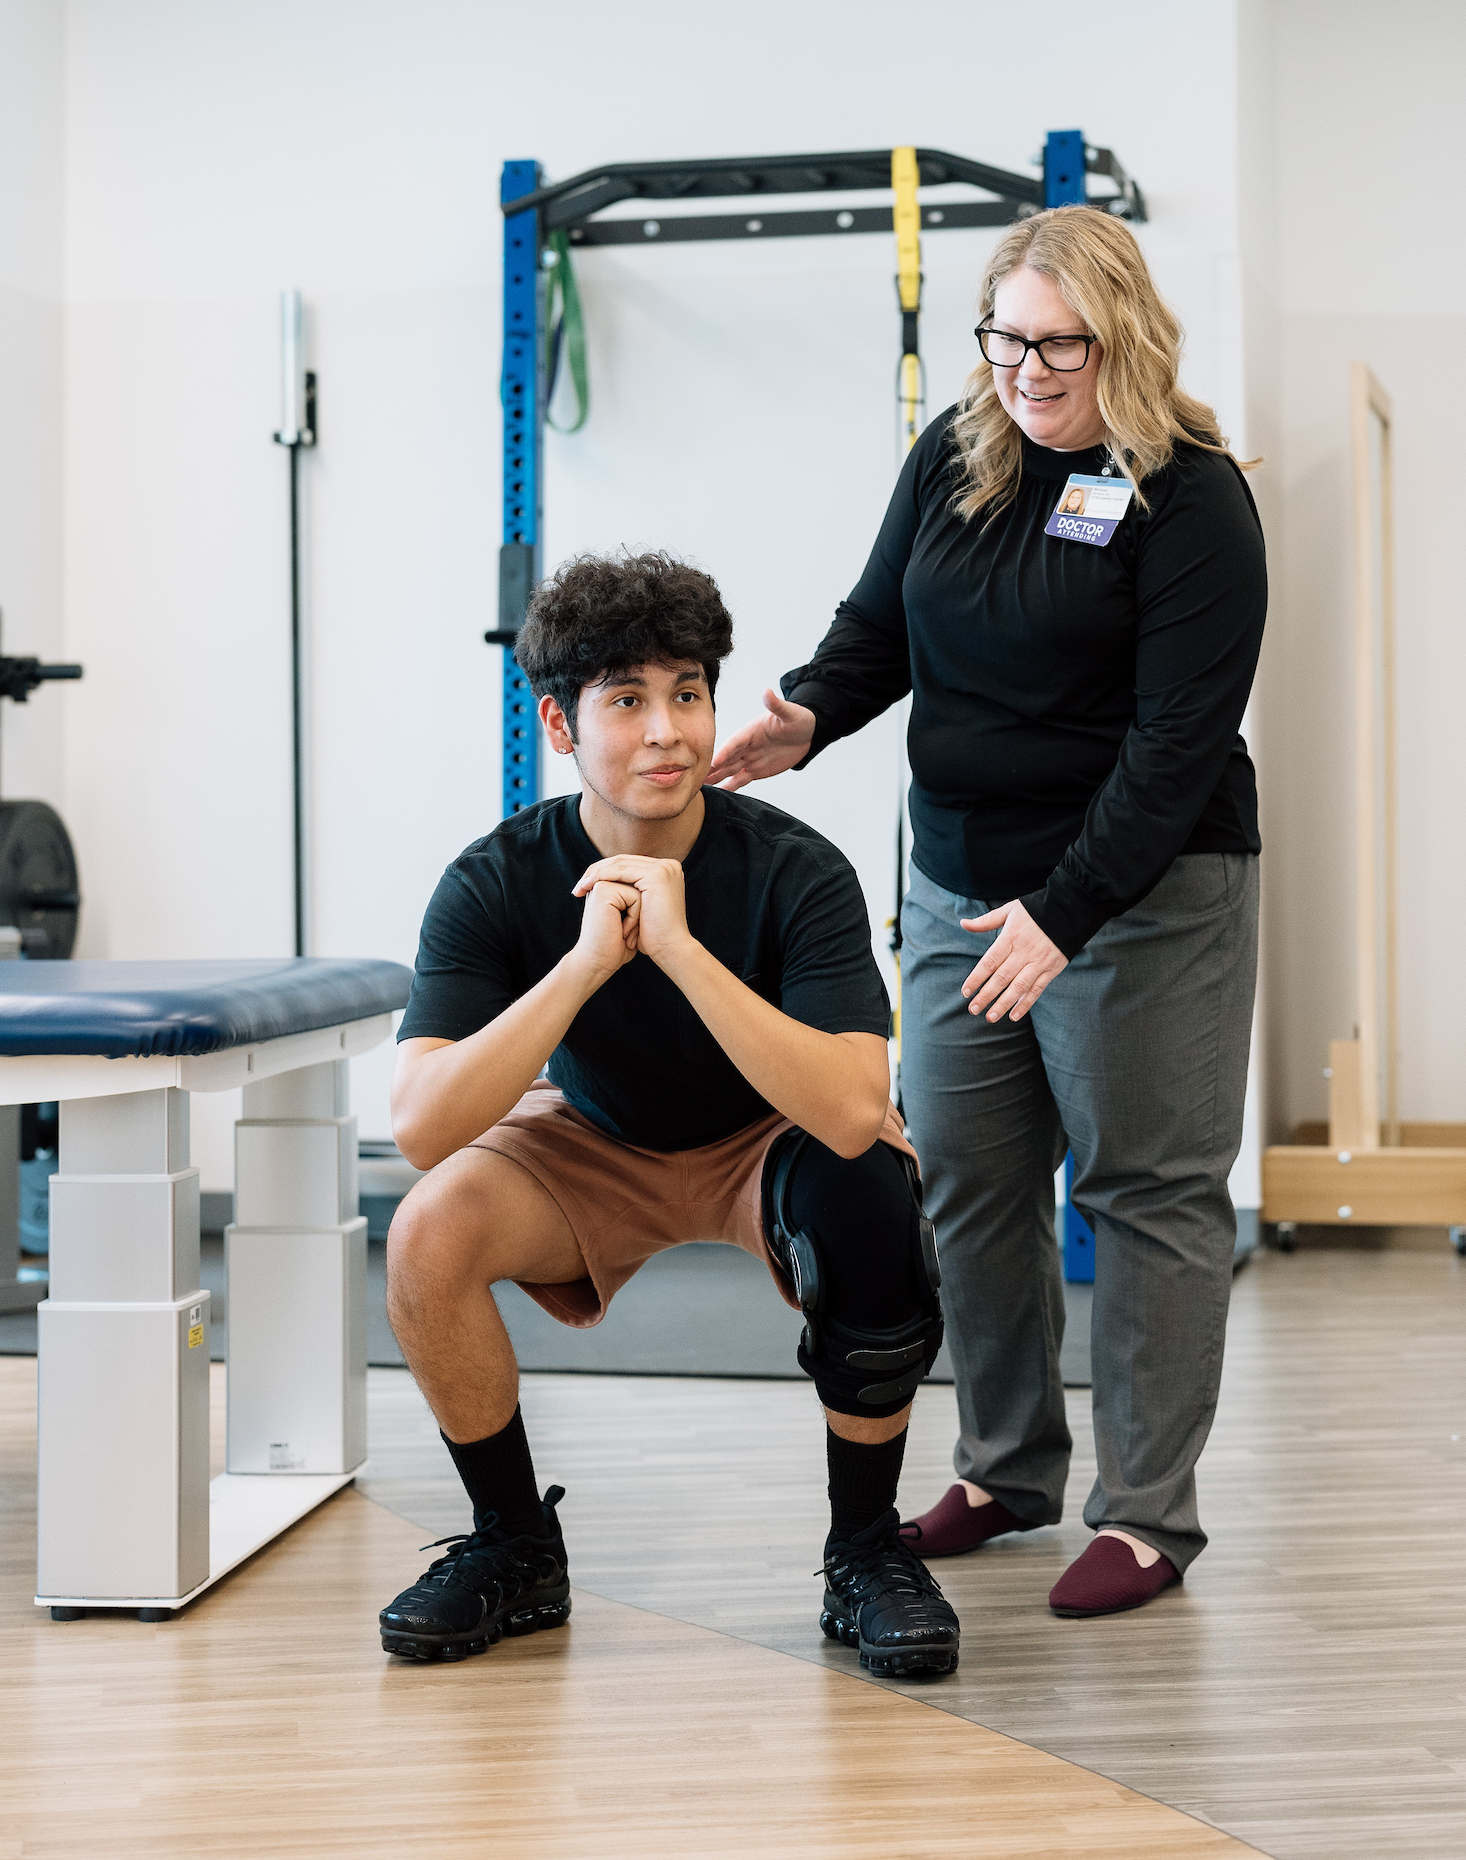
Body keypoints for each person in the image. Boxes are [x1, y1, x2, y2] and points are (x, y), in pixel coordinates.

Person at [709, 207, 1267, 1620]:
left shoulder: (1189, 498)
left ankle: (1146, 1514)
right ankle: (1009, 1464)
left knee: (1145, 1193)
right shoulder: (961, 456)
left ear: (1123, 337)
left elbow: (1176, 748)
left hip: (1141, 899)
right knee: (960, 1173)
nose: (1026, 368)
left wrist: (1067, 912)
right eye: (1005, 337)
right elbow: (878, 628)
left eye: (1058, 343)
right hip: (958, 887)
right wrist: (809, 716)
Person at [377, 550, 959, 1676]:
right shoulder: (496, 878)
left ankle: (863, 1552)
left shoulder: (796, 871)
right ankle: (514, 1547)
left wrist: (682, 951)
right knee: (427, 1232)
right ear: (560, 724)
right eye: (626, 701)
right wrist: (584, 967)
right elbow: (420, 1125)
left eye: (686, 694)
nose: (666, 732)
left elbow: (846, 1109)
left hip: (765, 1139)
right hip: (589, 1138)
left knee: (873, 1195)